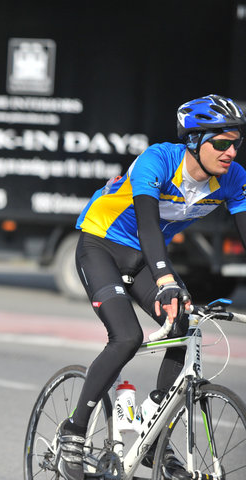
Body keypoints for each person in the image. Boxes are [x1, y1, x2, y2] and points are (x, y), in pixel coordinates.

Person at [57, 94, 246, 480]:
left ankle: (154, 430)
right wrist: (164, 279)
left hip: (145, 255)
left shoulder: (234, 178)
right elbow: (146, 225)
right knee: (126, 337)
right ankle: (74, 431)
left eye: (237, 142)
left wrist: (167, 283)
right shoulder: (157, 160)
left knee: (184, 323)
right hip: (101, 245)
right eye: (222, 143)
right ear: (194, 140)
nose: (231, 152)